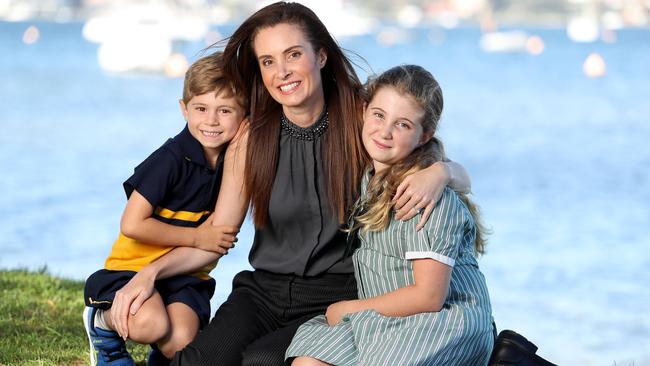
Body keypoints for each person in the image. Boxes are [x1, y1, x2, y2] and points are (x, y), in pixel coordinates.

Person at [107, 3, 473, 365]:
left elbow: (437, 160)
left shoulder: (359, 119)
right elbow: (217, 237)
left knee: (262, 361)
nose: (281, 72)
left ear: (322, 56)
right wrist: (149, 274)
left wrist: (440, 172)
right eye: (268, 61)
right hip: (262, 292)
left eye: (293, 54)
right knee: (201, 361)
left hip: (335, 295)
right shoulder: (251, 137)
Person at [285, 64, 494, 365]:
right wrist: (445, 170)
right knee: (307, 361)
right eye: (379, 115)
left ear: (424, 136)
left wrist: (348, 308)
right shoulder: (372, 174)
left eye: (403, 125)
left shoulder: (423, 196)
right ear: (365, 110)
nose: (384, 131)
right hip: (384, 316)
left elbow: (430, 297)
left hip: (440, 321)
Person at [82, 53, 246, 366]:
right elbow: (132, 224)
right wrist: (197, 237)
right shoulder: (170, 159)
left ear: (244, 115)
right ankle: (103, 327)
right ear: (184, 109)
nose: (211, 120)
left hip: (185, 275)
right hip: (129, 269)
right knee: (150, 324)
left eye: (225, 110)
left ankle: (160, 359)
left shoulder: (234, 165)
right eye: (201, 109)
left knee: (182, 343)